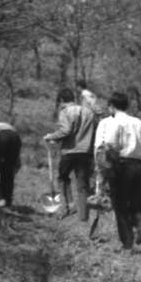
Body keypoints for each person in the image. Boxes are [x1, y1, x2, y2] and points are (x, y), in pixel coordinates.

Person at [94, 90, 141, 251]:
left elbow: (109, 144)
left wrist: (107, 167)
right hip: (140, 167)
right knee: (137, 203)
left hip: (121, 166)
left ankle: (127, 243)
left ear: (112, 106)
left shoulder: (114, 122)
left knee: (120, 206)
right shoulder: (138, 122)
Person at [44, 86, 98, 223]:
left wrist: (51, 136)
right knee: (82, 183)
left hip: (69, 151)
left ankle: (69, 206)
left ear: (62, 100)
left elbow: (65, 131)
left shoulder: (65, 112)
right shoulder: (88, 112)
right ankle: (83, 216)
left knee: (63, 178)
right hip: (86, 152)